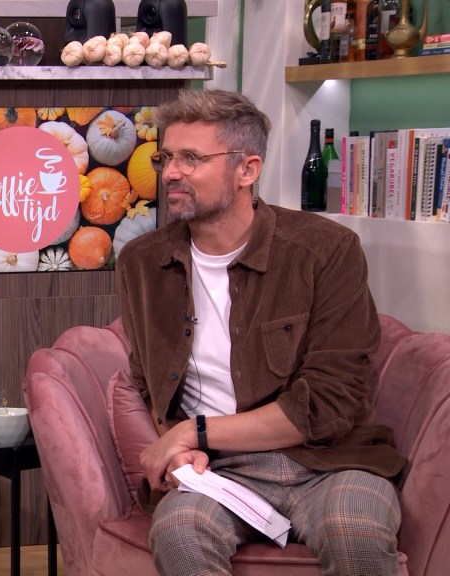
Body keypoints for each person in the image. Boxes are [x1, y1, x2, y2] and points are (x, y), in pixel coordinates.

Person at [116, 89, 405, 576]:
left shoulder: (326, 250)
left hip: (331, 462)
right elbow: (149, 381)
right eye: (166, 158)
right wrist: (180, 445)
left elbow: (330, 401)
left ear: (247, 170)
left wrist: (194, 430)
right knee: (178, 531)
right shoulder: (141, 264)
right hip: (220, 470)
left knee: (354, 526)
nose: (170, 173)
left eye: (191, 158)